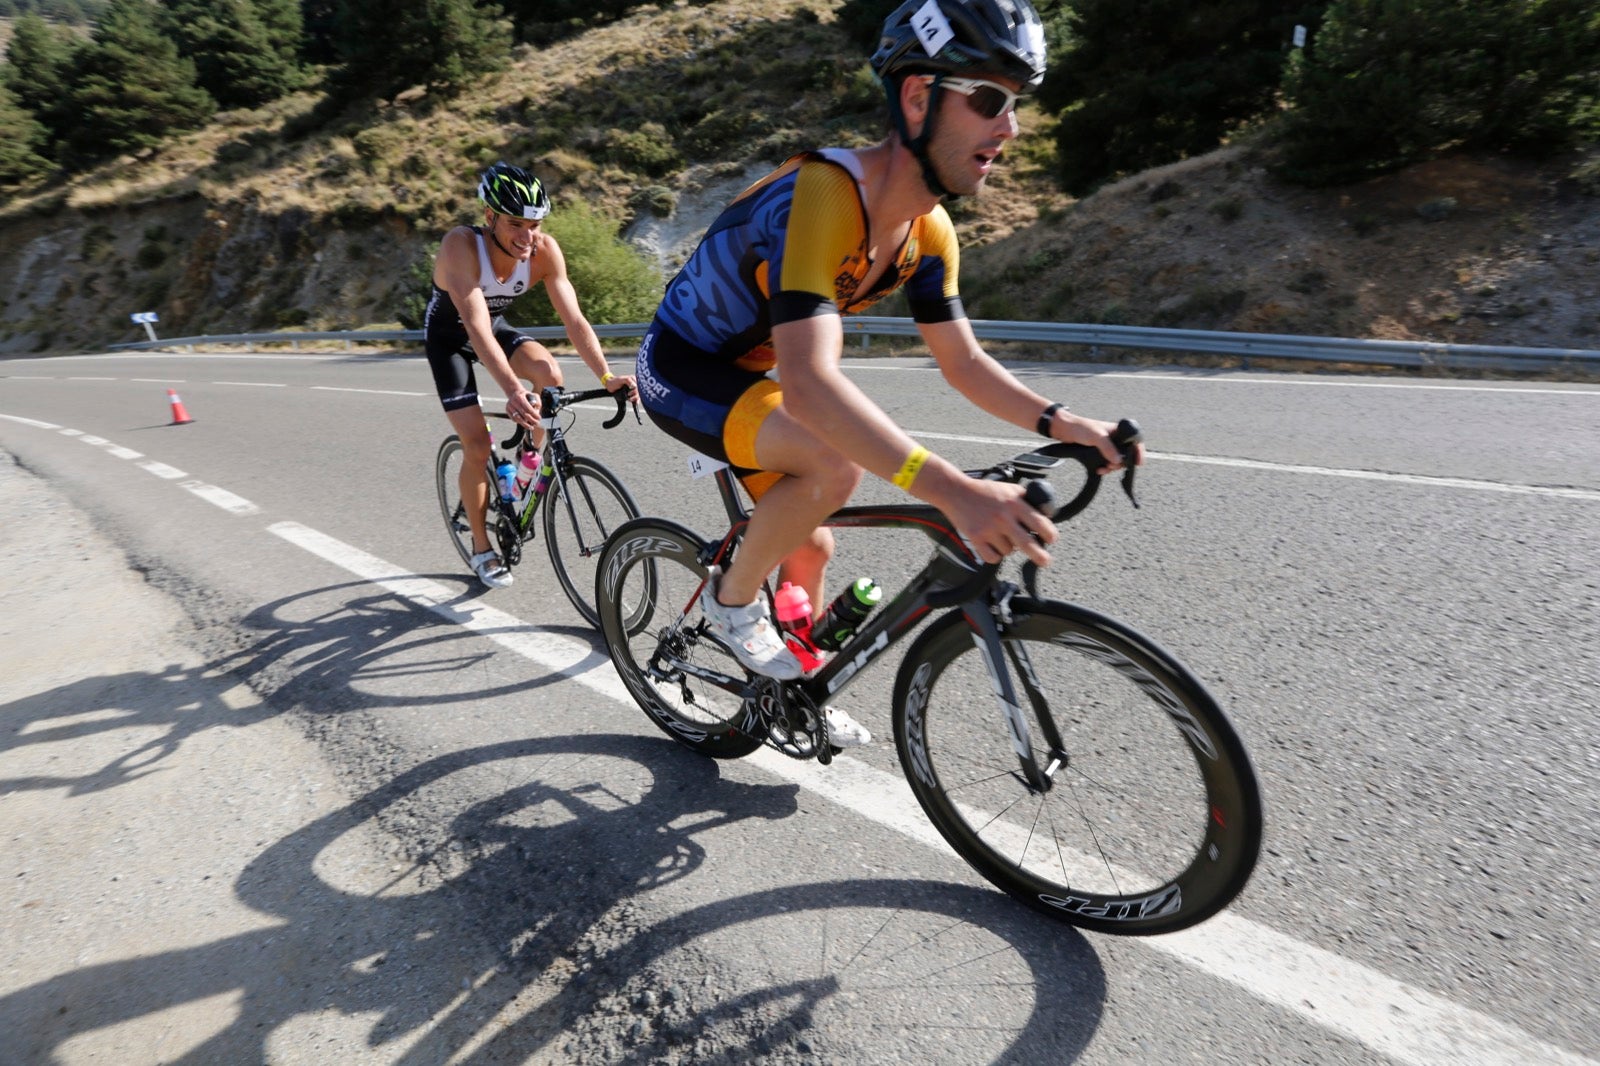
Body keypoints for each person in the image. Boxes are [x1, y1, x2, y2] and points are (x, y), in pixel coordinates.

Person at [631, 0, 1145, 745]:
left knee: (812, 542)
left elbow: (963, 362)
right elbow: (810, 383)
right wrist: (958, 492)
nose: (1010, 128)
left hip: (753, 372)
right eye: (990, 100)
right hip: (684, 366)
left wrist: (1067, 425)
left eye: (1017, 105)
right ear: (916, 96)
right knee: (831, 468)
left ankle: (788, 689)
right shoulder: (826, 193)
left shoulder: (929, 233)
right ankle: (730, 603)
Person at [424, 162, 638, 588]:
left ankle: (525, 468)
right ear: (490, 218)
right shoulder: (461, 246)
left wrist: (606, 376)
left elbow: (573, 319)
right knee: (477, 445)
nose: (527, 236)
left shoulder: (544, 250)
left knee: (548, 373)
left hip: (494, 330)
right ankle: (482, 548)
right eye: (515, 224)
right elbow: (476, 327)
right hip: (452, 338)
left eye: (535, 224)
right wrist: (511, 390)